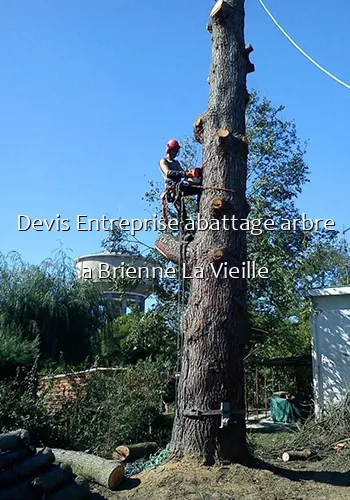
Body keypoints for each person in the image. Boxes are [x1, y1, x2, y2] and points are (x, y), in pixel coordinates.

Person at [159, 139, 201, 232]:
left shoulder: (176, 163)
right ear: (169, 150)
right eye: (174, 150)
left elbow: (184, 174)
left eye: (176, 151)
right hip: (172, 188)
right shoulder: (163, 161)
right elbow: (168, 173)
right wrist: (185, 174)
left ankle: (200, 212)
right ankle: (185, 232)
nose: (175, 153)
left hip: (180, 185)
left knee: (199, 189)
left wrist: (193, 174)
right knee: (182, 211)